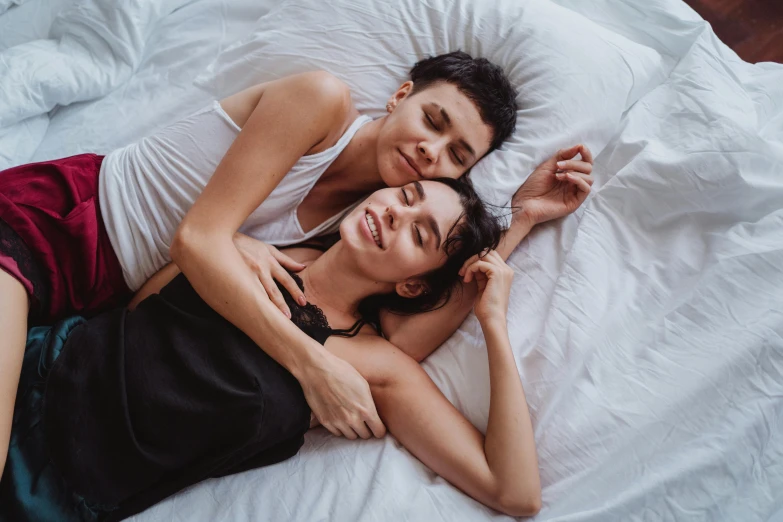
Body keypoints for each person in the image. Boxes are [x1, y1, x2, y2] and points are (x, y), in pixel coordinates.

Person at [0, 50, 594, 475]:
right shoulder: (321, 102)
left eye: (455, 156)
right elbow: (197, 241)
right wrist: (311, 364)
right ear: (401, 96)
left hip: (96, 304)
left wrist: (518, 220)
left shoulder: (367, 223)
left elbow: (404, 340)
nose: (429, 151)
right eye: (432, 122)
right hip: (55, 227)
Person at [1, 179, 541, 521]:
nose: (399, 213)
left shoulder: (374, 366)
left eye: (420, 235)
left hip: (60, 493)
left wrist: (491, 319)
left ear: (413, 287)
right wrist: (235, 246)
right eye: (406, 194)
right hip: (34, 367)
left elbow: (514, 491)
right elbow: (141, 304)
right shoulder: (268, 234)